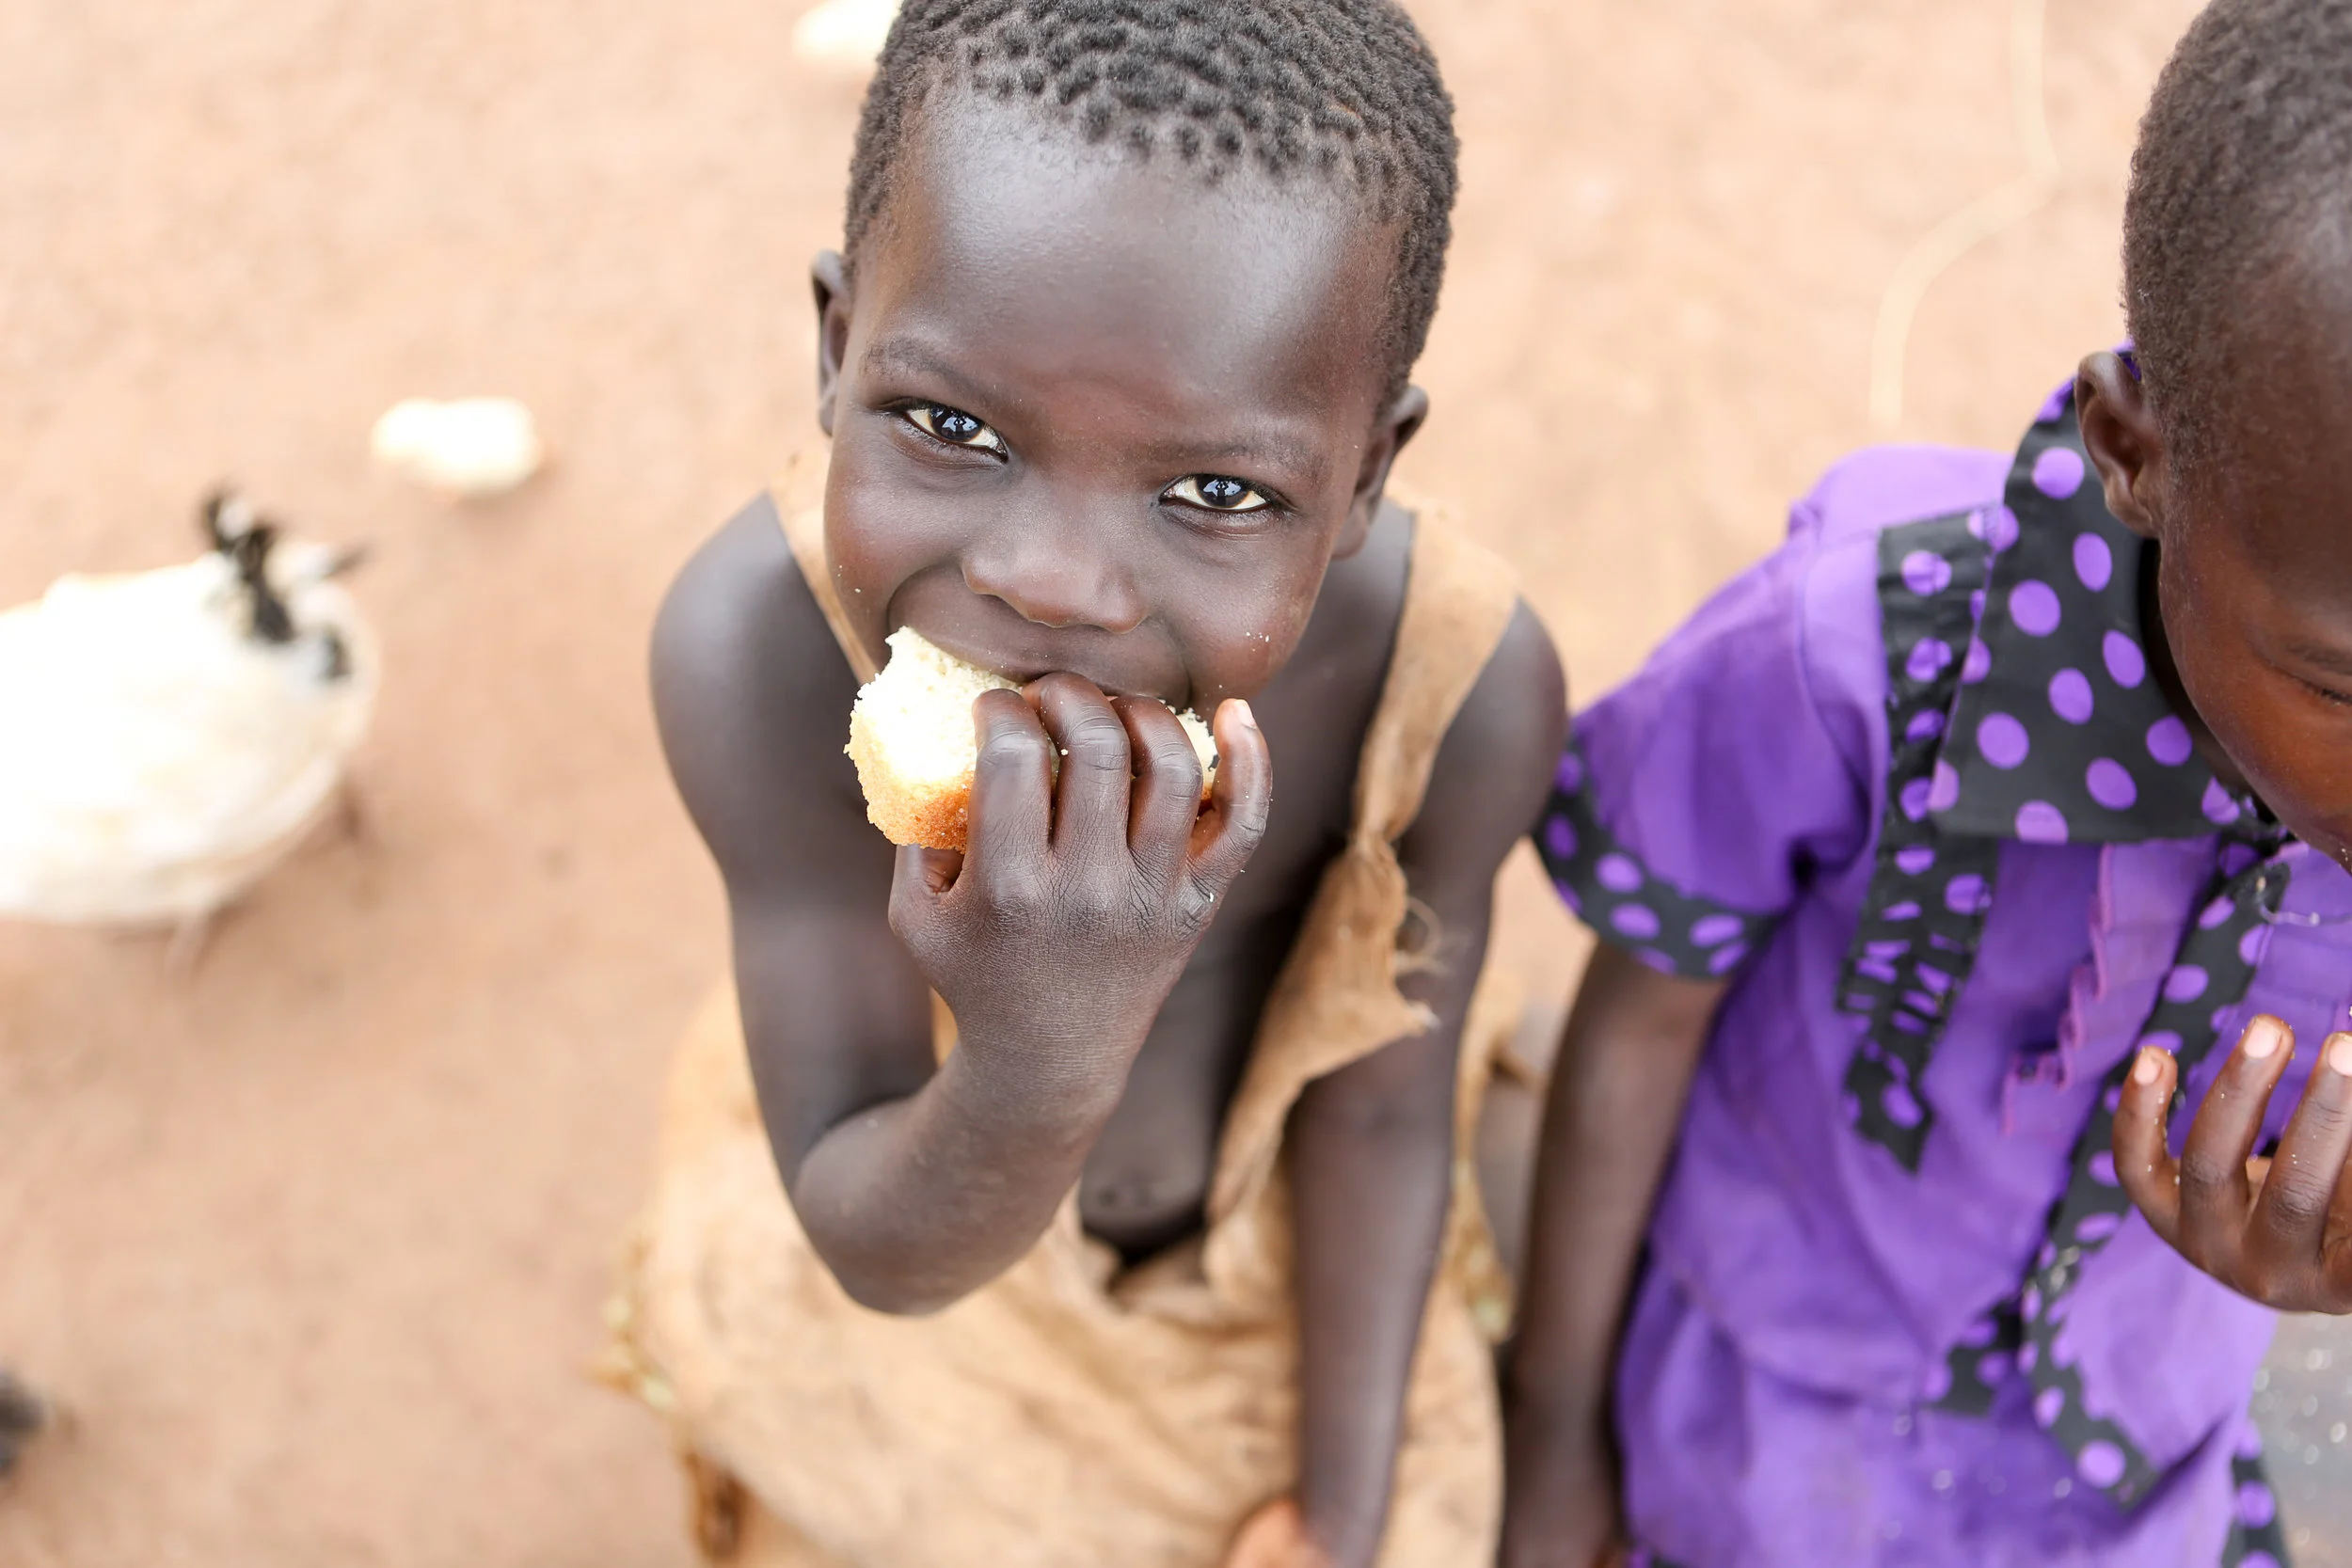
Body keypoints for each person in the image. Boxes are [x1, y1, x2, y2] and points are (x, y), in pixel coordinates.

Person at [597, 4, 1565, 1565]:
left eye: (1213, 491)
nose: (1053, 584)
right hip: (923, 1206)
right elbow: (873, 1236)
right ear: (838, 349)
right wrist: (1042, 1051)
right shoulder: (758, 654)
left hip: (1276, 1273)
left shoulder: (1456, 690)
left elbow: (1383, 1109)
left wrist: (1338, 1507)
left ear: (1365, 470)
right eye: (953, 425)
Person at [1501, 1, 2352, 1562]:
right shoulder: (1859, 653)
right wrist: (1553, 1442)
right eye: (2343, 684)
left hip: (2135, 1451)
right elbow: (1646, 1010)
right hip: (1770, 1414)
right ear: (2136, 448)